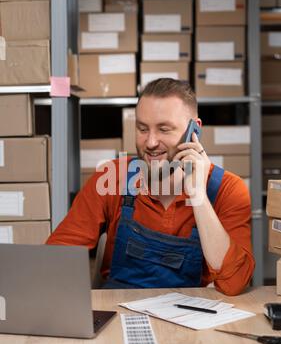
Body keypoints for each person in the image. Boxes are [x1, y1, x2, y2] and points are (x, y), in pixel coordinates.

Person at [47, 78, 255, 295]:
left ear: (194, 130)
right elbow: (56, 259)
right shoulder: (111, 178)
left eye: (164, 129)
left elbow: (235, 283)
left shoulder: (227, 189)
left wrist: (198, 195)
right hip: (120, 312)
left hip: (191, 318)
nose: (151, 143)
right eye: (142, 128)